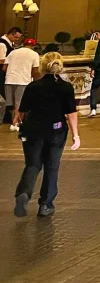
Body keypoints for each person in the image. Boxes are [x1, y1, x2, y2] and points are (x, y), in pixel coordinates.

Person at [12, 52, 80, 218]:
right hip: (55, 130)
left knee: (33, 164)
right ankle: (45, 204)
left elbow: (22, 111)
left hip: (33, 130)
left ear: (42, 66)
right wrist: (75, 135)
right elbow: (71, 113)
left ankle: (24, 193)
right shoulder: (66, 87)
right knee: (52, 166)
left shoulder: (33, 86)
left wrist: (19, 120)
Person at [5, 38, 40, 130]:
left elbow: (4, 68)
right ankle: (14, 123)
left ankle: (18, 121)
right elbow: (36, 70)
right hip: (23, 81)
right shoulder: (34, 54)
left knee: (12, 104)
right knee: (19, 103)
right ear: (33, 46)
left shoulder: (13, 52)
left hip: (9, 80)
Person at [0, 26, 21, 124]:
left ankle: (7, 117)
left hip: (6, 72)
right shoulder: (2, 44)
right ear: (11, 34)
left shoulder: (9, 43)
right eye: (16, 37)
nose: (17, 40)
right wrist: (12, 59)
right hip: (1, 72)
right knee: (4, 94)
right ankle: (5, 118)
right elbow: (1, 59)